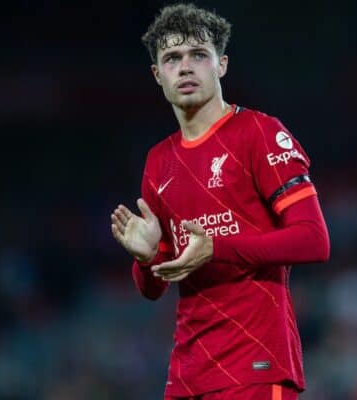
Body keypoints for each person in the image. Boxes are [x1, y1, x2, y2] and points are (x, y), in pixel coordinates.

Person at [110, 4, 330, 399]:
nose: (186, 67)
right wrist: (145, 261)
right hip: (187, 375)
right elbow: (153, 288)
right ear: (158, 75)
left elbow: (314, 240)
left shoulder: (259, 133)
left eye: (199, 55)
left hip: (257, 366)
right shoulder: (159, 160)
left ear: (221, 65)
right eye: (172, 58)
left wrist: (217, 248)